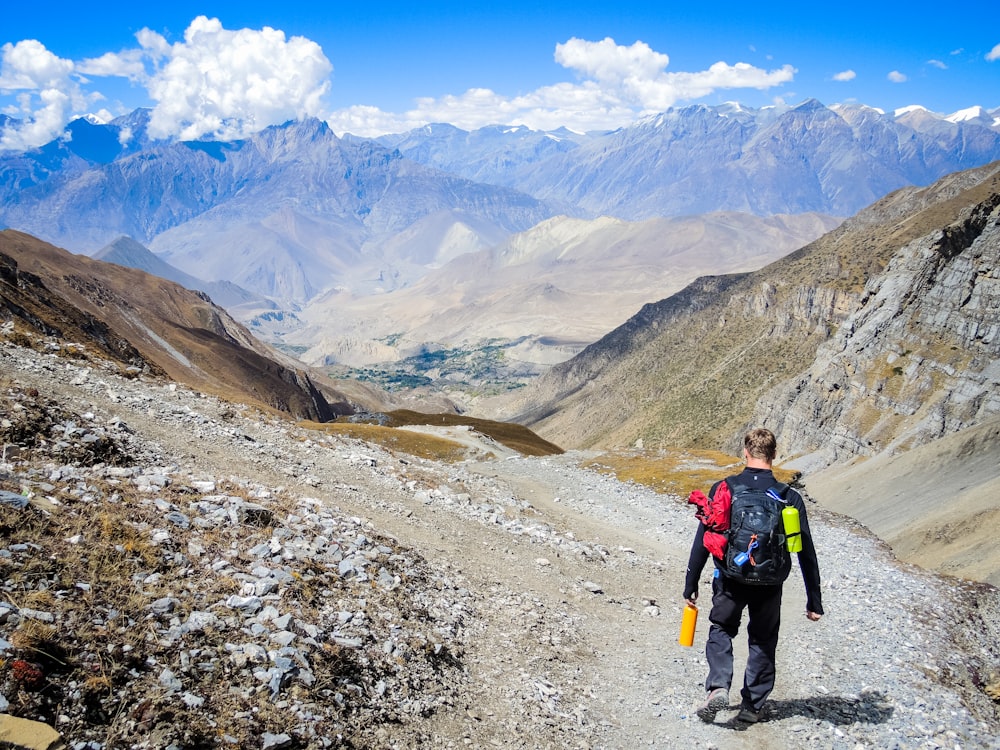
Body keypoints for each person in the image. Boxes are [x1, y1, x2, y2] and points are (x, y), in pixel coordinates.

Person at [683, 427, 823, 724]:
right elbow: (805, 552)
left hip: (730, 578)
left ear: (745, 452)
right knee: (762, 640)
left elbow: (704, 538)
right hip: (770, 583)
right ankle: (752, 706)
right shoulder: (789, 497)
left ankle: (718, 687)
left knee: (721, 628)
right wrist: (814, 600)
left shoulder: (725, 488)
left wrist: (691, 582)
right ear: (774, 455)